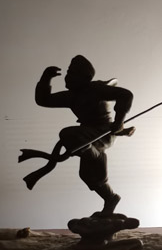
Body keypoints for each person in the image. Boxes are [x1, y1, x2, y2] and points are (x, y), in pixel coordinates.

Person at [19, 55, 134, 215]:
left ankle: (95, 155)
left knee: (67, 133)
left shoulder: (96, 89)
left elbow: (126, 95)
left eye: (72, 74)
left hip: (103, 133)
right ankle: (111, 198)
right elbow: (44, 100)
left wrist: (119, 121)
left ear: (85, 78)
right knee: (86, 175)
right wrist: (46, 78)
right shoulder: (71, 96)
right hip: (85, 136)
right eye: (68, 73)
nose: (67, 78)